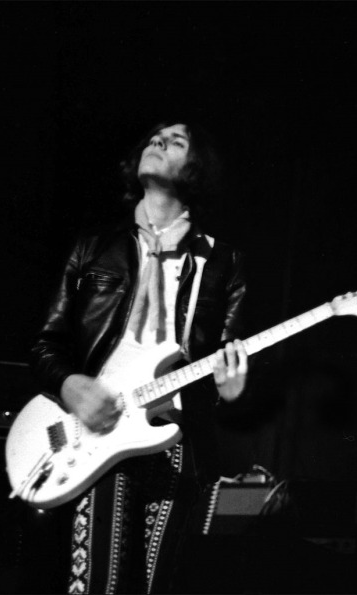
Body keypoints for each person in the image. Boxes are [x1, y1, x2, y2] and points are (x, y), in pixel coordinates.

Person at [30, 120, 248, 594]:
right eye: (154, 138)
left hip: (177, 435)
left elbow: (227, 363)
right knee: (97, 583)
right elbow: (46, 345)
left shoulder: (221, 261)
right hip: (103, 427)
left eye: (176, 140)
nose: (158, 143)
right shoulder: (95, 247)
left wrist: (231, 391)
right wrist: (71, 385)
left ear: (197, 168)